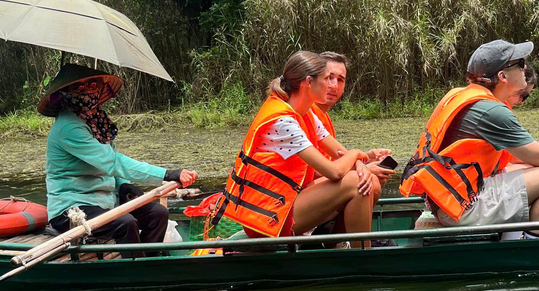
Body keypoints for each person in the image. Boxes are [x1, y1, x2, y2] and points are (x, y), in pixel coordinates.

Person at [400, 40, 539, 238]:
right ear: (502, 76)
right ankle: (532, 250)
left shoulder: (462, 95)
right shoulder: (491, 110)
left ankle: (514, 238)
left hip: (449, 200)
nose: (525, 68)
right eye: (519, 64)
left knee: (537, 170)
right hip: (463, 208)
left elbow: (513, 157)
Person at [218, 51, 377, 247]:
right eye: (326, 79)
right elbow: (334, 171)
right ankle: (363, 259)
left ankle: (336, 246)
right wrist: (356, 155)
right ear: (308, 83)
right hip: (269, 218)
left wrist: (360, 164)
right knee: (355, 182)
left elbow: (338, 152)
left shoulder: (306, 112)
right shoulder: (282, 122)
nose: (331, 86)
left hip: (288, 202)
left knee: (371, 183)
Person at [38, 64, 198, 257]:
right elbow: (113, 162)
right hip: (72, 208)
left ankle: (150, 261)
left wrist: (123, 186)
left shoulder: (96, 121)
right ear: (65, 94)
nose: (89, 91)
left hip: (105, 201)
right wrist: (166, 175)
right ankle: (134, 273)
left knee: (157, 214)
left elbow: (110, 167)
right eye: (79, 88)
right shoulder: (68, 128)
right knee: (126, 223)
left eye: (93, 85)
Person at [311, 51, 395, 186]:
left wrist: (367, 158)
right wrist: (364, 168)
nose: (334, 86)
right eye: (328, 78)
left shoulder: (323, 117)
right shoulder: (306, 113)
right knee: (363, 179)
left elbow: (335, 162)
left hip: (317, 186)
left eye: (340, 80)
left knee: (375, 178)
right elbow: (312, 171)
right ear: (313, 80)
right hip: (298, 194)